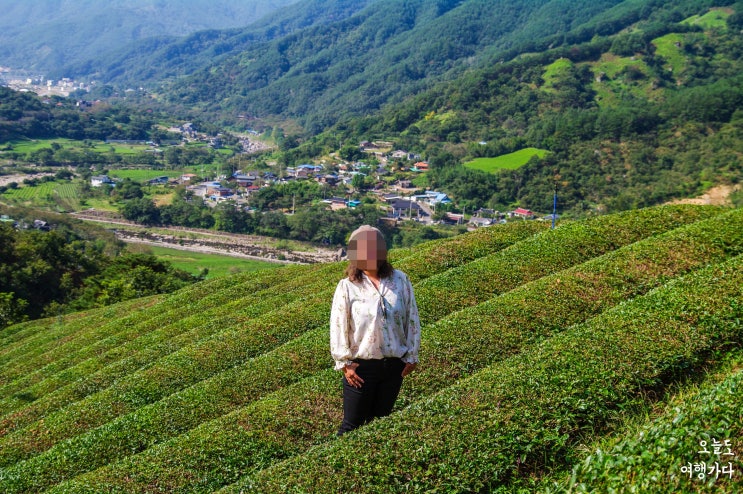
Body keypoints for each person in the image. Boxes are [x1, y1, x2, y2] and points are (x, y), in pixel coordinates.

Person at [330, 225, 421, 436]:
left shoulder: (400, 280)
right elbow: (338, 325)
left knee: (379, 426)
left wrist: (412, 355)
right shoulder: (347, 286)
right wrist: (345, 364)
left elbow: (412, 318)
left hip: (393, 366)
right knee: (351, 426)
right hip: (361, 368)